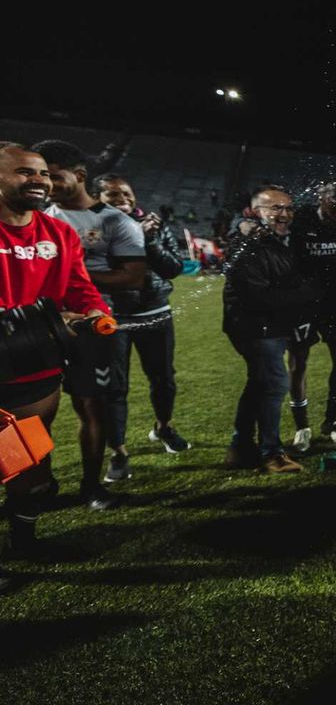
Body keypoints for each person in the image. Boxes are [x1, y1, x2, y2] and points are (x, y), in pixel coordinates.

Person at [0, 143, 108, 592]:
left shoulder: (58, 234)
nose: (39, 180)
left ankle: (24, 542)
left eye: (43, 173)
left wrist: (97, 315)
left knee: (27, 467)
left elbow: (81, 290)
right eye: (24, 172)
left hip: (36, 373)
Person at [35, 140, 145, 511]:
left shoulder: (111, 222)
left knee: (92, 405)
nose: (44, 183)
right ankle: (38, 484)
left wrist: (89, 308)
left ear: (79, 176)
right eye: (35, 175)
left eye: (49, 175)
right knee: (33, 413)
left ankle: (92, 486)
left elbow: (130, 277)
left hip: (91, 327)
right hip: (37, 330)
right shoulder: (38, 220)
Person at [92, 174, 190, 486]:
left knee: (164, 379)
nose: (122, 199)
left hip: (155, 312)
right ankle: (118, 451)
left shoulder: (154, 224)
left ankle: (164, 427)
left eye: (126, 193)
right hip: (114, 317)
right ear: (98, 200)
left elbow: (173, 267)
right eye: (112, 195)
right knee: (115, 387)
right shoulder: (89, 230)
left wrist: (146, 239)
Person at [222, 184, 316, 473]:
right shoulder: (248, 243)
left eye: (288, 208)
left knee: (259, 384)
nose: (284, 214)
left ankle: (240, 448)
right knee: (275, 383)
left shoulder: (276, 239)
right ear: (255, 212)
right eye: (275, 208)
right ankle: (271, 453)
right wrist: (303, 294)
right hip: (255, 325)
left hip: (267, 323)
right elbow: (257, 297)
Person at [288, 181, 336, 450]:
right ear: (321, 198)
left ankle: (331, 421)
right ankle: (302, 426)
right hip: (302, 305)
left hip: (333, 303)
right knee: (298, 363)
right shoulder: (301, 220)